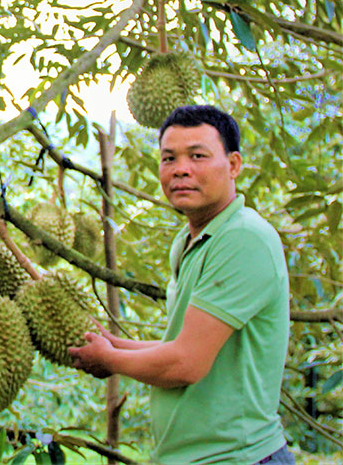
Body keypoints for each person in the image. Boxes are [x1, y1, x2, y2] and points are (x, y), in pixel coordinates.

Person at [68, 105, 293, 464]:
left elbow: (186, 364)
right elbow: (185, 345)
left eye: (198, 156)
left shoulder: (244, 239)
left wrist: (111, 358)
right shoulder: (190, 241)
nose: (181, 169)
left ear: (234, 165)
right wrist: (116, 346)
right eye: (169, 158)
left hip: (238, 458)